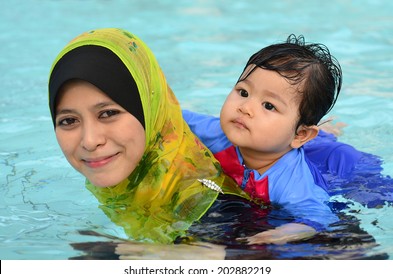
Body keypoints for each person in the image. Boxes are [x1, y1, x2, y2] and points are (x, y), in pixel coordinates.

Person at [48, 28, 253, 244]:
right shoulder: (131, 186)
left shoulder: (214, 210)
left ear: (148, 113)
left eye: (108, 113)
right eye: (68, 120)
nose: (90, 141)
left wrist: (126, 256)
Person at [183, 34, 361, 244]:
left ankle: (327, 133)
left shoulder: (291, 180)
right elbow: (171, 116)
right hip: (291, 140)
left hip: (329, 164)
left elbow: (318, 215)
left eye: (268, 105)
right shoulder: (219, 132)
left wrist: (282, 233)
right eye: (243, 91)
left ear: (300, 134)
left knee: (330, 151)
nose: (245, 107)